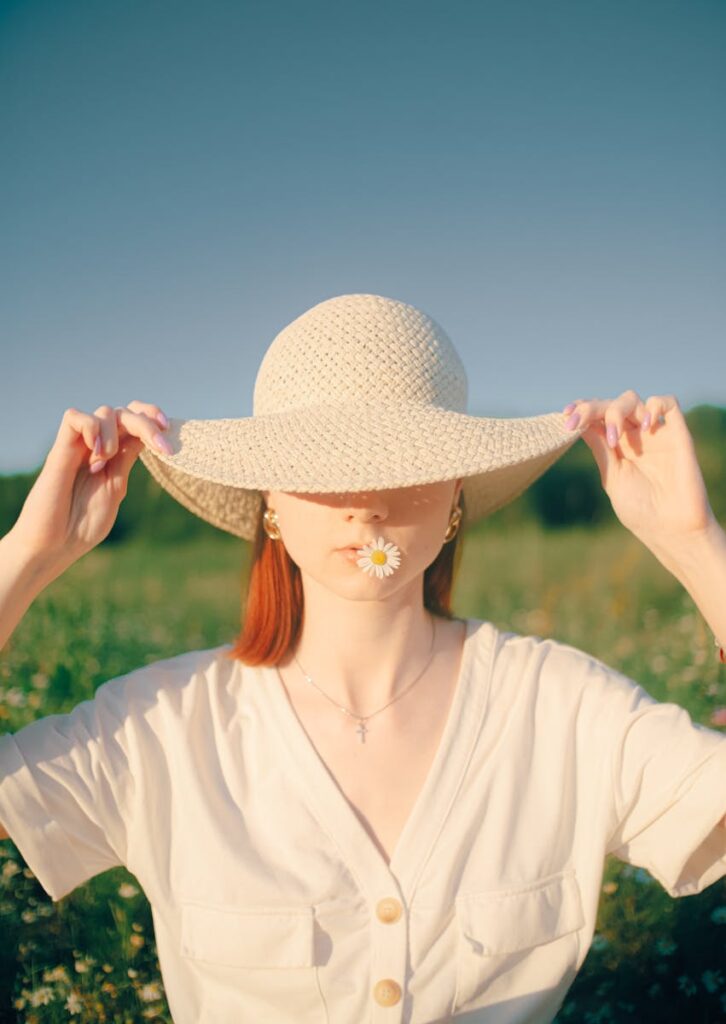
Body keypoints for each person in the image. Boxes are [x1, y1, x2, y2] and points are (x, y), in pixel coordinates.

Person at [0, 292, 724, 1024]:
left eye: (410, 459)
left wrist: (695, 545)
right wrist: (25, 559)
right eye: (321, 462)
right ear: (269, 498)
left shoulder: (565, 708)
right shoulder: (157, 726)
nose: (367, 503)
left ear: (456, 495)